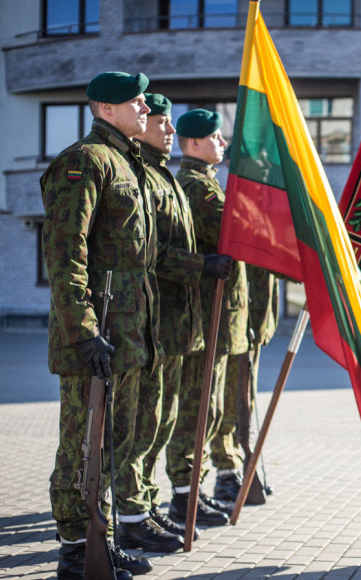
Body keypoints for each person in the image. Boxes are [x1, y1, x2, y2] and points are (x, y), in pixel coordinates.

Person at [41, 71, 158, 579]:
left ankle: (101, 541)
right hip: (95, 334)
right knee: (83, 444)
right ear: (105, 109)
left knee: (113, 444)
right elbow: (67, 255)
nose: (144, 111)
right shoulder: (84, 161)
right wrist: (85, 331)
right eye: (135, 103)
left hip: (128, 334)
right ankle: (76, 551)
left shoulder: (128, 164)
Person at [119, 93, 234, 550]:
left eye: (164, 121)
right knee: (146, 424)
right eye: (158, 121)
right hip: (153, 321)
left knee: (166, 419)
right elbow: (148, 253)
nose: (163, 128)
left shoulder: (164, 176)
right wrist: (202, 265)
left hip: (178, 322)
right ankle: (135, 512)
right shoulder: (153, 178)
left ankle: (148, 506)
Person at [165, 108, 249, 526]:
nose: (223, 144)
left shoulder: (207, 184)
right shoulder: (197, 189)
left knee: (212, 410)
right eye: (217, 138)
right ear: (194, 143)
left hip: (221, 318)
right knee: (196, 411)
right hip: (206, 317)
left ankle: (193, 491)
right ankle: (184, 496)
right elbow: (234, 236)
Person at [211, 264, 280, 507]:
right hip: (237, 318)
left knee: (245, 400)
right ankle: (226, 471)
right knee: (230, 401)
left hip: (256, 319)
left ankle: (234, 465)